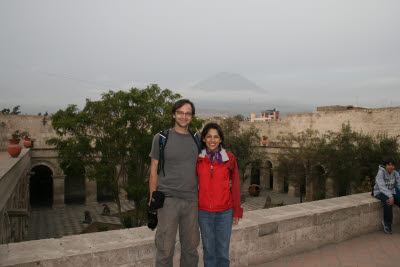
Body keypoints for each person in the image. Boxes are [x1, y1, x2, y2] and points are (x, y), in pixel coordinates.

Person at [149, 99, 200, 267]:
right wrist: (152, 199)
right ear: (173, 114)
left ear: (192, 116)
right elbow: (154, 168)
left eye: (187, 113)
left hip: (192, 201)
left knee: (191, 249)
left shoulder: (197, 139)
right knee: (164, 249)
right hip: (168, 200)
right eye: (180, 112)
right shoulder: (162, 138)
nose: (184, 116)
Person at [197, 122, 243, 267]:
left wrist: (236, 211)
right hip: (203, 212)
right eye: (209, 136)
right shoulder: (198, 159)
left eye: (216, 137)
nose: (212, 140)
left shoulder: (229, 158)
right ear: (204, 139)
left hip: (224, 212)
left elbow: (235, 185)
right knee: (209, 252)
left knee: (222, 253)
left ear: (221, 139)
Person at [373, 159, 400, 234]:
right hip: (379, 192)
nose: (390, 167)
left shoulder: (395, 173)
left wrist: (391, 195)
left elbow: (399, 184)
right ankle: (387, 223)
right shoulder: (380, 173)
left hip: (390, 193)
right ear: (385, 166)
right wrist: (390, 196)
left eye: (392, 165)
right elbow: (382, 187)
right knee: (388, 201)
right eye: (389, 165)